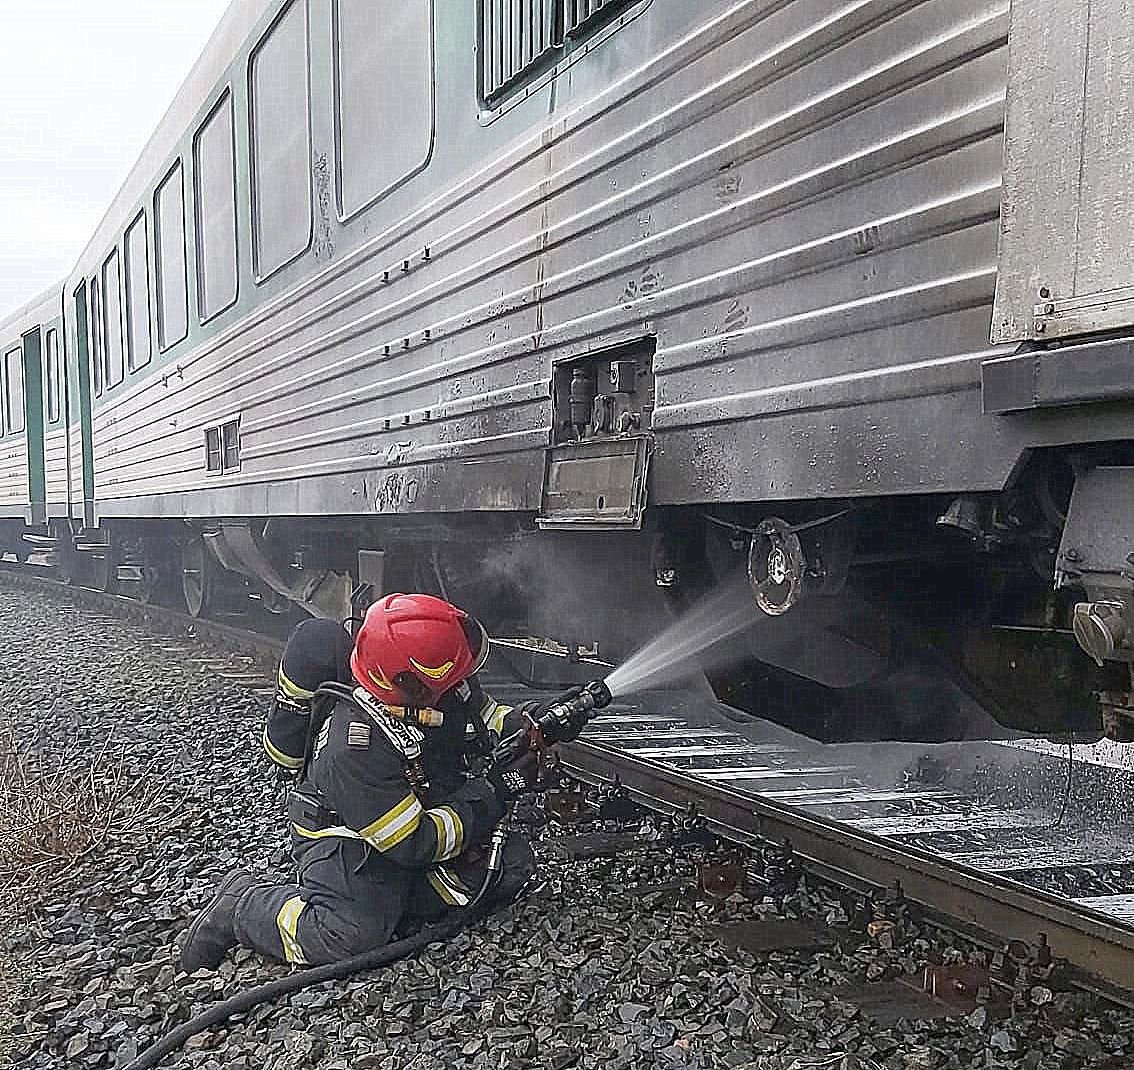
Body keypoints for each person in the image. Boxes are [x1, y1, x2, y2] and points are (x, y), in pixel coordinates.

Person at [179, 593, 541, 971]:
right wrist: (497, 790)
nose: (462, 686)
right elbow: (417, 841)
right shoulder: (354, 748)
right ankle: (241, 904)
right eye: (454, 681)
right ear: (413, 688)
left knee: (509, 865)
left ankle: (395, 899)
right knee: (350, 936)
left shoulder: (431, 684)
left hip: (407, 808)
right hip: (349, 838)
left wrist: (520, 724)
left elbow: (479, 715)